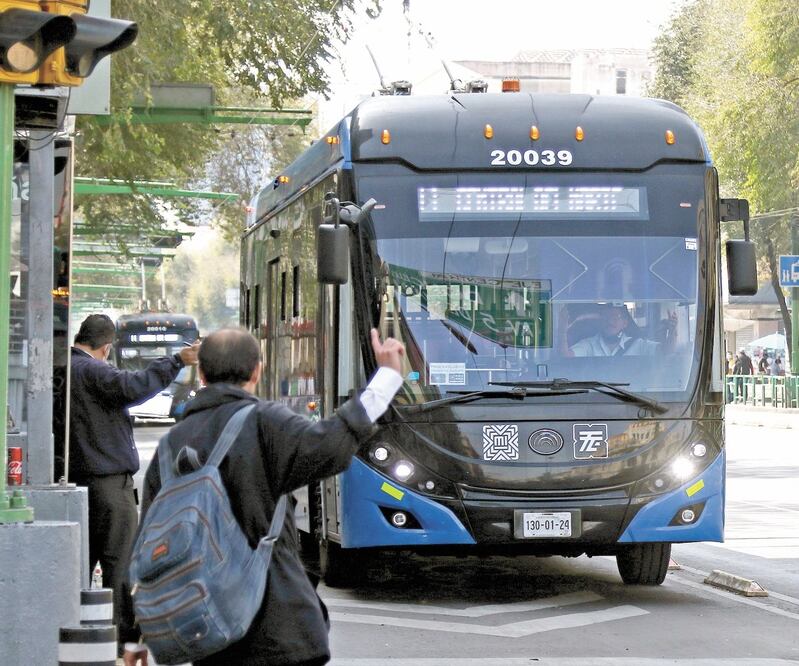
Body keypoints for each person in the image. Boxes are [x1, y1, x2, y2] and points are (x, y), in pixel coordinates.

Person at [121, 327, 405, 666]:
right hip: (277, 624)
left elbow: (146, 546)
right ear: (257, 370)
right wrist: (386, 379)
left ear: (201, 373)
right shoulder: (266, 423)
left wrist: (133, 634)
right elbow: (330, 444)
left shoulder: (171, 447)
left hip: (209, 631)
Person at [68, 314, 199, 638]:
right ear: (107, 347)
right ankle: (119, 637)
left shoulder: (67, 368)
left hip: (81, 480)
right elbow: (133, 386)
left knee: (82, 563)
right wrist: (176, 360)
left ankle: (77, 626)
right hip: (108, 484)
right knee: (120, 564)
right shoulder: (92, 370)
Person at [560, 304, 676, 357]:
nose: (610, 321)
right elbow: (566, 356)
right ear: (600, 321)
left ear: (625, 323)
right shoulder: (589, 344)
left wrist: (672, 333)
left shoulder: (638, 344)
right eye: (606, 317)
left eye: (615, 317)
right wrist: (562, 331)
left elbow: (666, 352)